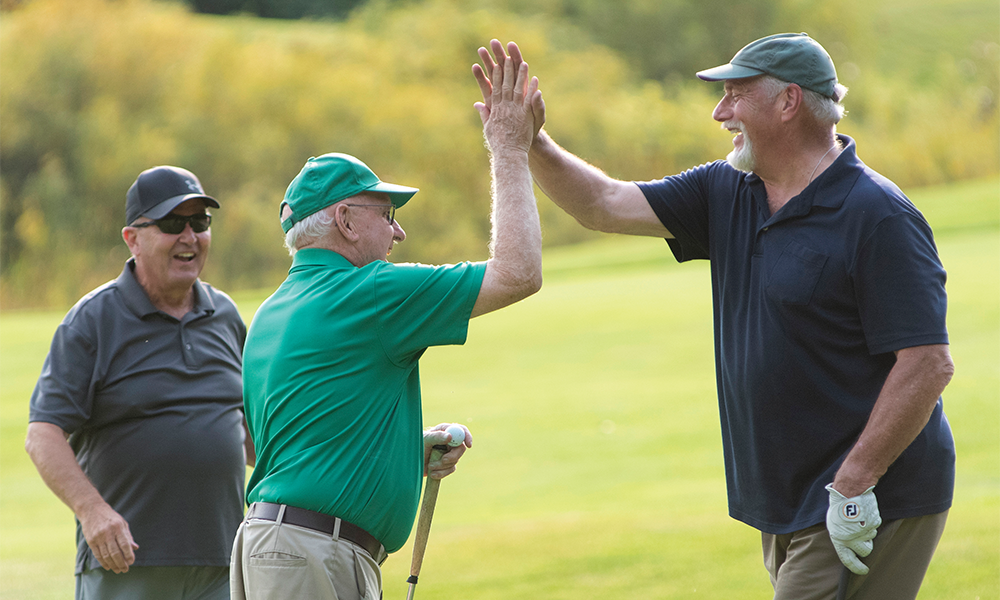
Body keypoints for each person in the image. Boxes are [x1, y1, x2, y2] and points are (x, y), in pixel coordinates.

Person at [473, 34, 955, 599]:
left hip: (866, 494)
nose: (719, 112)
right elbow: (603, 204)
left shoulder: (877, 214)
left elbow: (927, 364)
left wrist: (855, 482)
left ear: (788, 102)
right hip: (792, 498)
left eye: (735, 96)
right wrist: (532, 142)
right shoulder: (727, 189)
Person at [231, 42, 543, 600]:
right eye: (388, 215)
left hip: (283, 548)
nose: (398, 234)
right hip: (313, 556)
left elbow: (300, 440)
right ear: (347, 221)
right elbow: (519, 273)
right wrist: (509, 148)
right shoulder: (369, 291)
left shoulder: (273, 308)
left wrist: (403, 450)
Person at [25, 165, 254, 600]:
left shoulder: (225, 316)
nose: (189, 236)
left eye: (200, 222)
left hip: (222, 564)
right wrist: (93, 513)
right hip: (125, 564)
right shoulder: (92, 321)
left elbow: (246, 427)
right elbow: (43, 433)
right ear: (133, 238)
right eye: (172, 223)